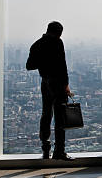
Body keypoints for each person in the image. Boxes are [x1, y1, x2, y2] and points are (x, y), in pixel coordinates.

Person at [26, 21, 74, 160]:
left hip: (45, 82)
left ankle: (45, 149)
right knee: (60, 118)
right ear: (59, 33)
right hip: (58, 83)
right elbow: (62, 66)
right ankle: (59, 151)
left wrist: (42, 61)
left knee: (46, 114)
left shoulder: (37, 44)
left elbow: (29, 65)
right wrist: (66, 86)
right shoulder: (58, 43)